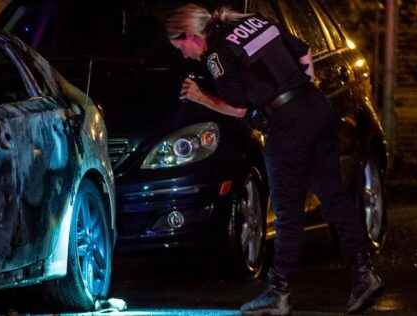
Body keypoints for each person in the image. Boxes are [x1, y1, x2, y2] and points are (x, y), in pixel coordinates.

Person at [164, 4, 383, 315]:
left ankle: (278, 293)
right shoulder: (255, 22)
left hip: (286, 125)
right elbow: (304, 53)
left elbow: (238, 108)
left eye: (180, 47)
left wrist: (200, 97)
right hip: (316, 108)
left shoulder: (216, 55)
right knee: (334, 197)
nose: (183, 55)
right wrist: (300, 97)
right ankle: (365, 274)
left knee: (287, 212)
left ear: (190, 36)